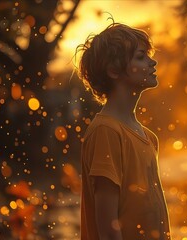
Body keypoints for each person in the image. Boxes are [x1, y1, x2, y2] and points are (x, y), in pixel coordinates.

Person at [75, 22, 171, 240]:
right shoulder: (106, 132)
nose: (152, 62)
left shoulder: (148, 138)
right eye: (140, 57)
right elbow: (108, 228)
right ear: (113, 70)